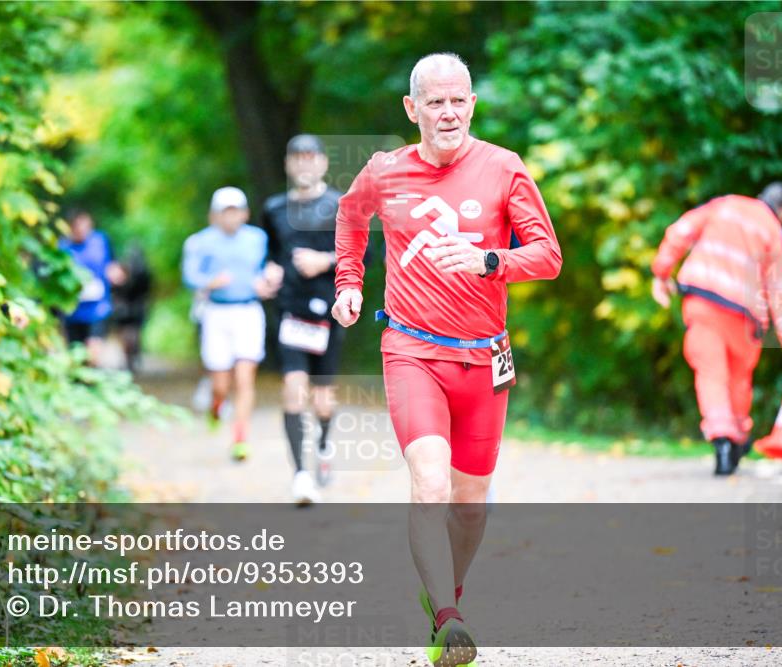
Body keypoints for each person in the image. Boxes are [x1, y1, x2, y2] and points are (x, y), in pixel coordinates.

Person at [332, 53, 562, 666]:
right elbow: (351, 217)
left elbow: (547, 255)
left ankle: (443, 597)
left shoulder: (503, 168)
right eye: (435, 102)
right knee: (430, 485)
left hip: (486, 357)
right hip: (412, 350)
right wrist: (348, 282)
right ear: (413, 110)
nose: (449, 112)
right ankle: (450, 618)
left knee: (469, 504)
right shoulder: (384, 172)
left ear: (473, 105)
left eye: (459, 100)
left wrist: (492, 260)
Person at [651, 182, 782, 475]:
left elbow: (680, 231)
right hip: (745, 316)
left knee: (712, 374)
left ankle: (722, 438)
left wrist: (661, 272)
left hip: (704, 301)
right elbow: (780, 291)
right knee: (738, 378)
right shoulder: (773, 232)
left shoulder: (726, 204)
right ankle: (737, 437)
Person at [262, 134, 349, 505]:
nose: (304, 164)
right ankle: (301, 474)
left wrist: (323, 261)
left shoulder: (341, 205)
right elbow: (268, 254)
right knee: (293, 390)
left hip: (331, 311)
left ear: (324, 163)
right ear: (287, 164)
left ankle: (325, 446)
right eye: (297, 157)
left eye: (311, 157)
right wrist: (266, 275)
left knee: (323, 399)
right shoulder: (274, 208)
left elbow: (364, 257)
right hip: (291, 313)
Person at [182, 186, 277, 462]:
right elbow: (190, 277)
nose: (231, 217)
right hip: (216, 313)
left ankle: (240, 437)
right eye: (225, 212)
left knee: (245, 377)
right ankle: (216, 406)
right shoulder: (199, 242)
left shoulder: (257, 239)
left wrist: (267, 281)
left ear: (245, 213)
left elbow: (267, 269)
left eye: (236, 211)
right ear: (214, 215)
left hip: (248, 311)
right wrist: (210, 282)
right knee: (220, 384)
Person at [59, 209, 119, 368]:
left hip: (98, 309)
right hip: (72, 310)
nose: (81, 229)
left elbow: (112, 263)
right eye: (77, 225)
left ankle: (91, 381)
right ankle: (81, 386)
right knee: (76, 356)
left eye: (84, 224)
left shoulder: (101, 241)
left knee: (93, 352)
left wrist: (115, 273)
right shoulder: (62, 247)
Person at [110, 246, 153, 374]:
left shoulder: (125, 270)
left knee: (126, 333)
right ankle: (132, 356)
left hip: (125, 307)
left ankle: (129, 357)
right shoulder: (145, 270)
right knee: (134, 333)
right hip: (138, 306)